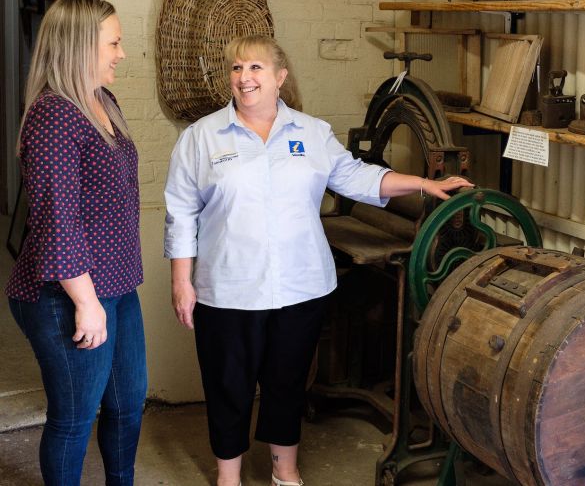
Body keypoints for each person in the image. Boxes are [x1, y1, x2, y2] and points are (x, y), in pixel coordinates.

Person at [164, 35, 472, 486]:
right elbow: (180, 210)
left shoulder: (311, 133)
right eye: (236, 68)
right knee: (227, 386)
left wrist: (424, 184)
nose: (244, 78)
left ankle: (284, 471)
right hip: (227, 288)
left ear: (280, 78)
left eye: (255, 69)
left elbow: (355, 176)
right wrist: (181, 280)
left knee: (286, 383)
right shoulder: (201, 137)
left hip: (300, 286)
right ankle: (227, 478)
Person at [5, 0, 147, 486]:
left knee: (128, 406)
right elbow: (56, 221)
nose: (121, 54)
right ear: (80, 45)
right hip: (65, 294)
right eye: (114, 43)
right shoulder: (52, 116)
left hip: (116, 286)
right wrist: (87, 304)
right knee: (74, 418)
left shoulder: (102, 101)